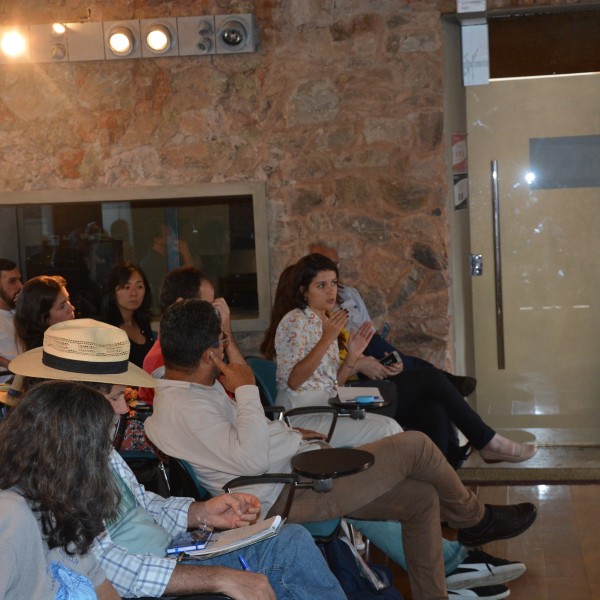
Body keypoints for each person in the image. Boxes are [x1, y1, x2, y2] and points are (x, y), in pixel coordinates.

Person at [145, 298, 538, 600]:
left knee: (419, 500)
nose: (226, 351)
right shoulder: (186, 408)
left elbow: (238, 439)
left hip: (296, 467)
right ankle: (475, 519)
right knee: (416, 445)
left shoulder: (185, 381)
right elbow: (249, 459)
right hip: (285, 493)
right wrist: (247, 386)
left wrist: (287, 431)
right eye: (221, 344)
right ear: (210, 355)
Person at [8, 318, 347, 600]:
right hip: (152, 579)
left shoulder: (87, 442)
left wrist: (200, 512)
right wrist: (219, 578)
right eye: (114, 397)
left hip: (167, 554)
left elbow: (141, 505)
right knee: (287, 553)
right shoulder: (50, 475)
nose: (125, 408)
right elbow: (110, 571)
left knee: (290, 541)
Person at [264, 254, 537, 467]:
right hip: (310, 410)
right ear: (303, 291)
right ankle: (487, 440)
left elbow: (335, 382)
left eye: (333, 283)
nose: (330, 291)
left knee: (432, 408)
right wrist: (328, 339)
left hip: (335, 399)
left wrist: (354, 355)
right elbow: (294, 380)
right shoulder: (295, 321)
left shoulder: (328, 319)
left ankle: (442, 488)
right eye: (321, 285)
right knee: (427, 381)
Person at [0, 379, 122, 599]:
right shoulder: (12, 516)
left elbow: (98, 582)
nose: (106, 455)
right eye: (102, 446)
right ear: (76, 453)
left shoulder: (58, 501)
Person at [309, 242, 477, 396]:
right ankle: (448, 381)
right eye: (326, 263)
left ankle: (444, 382)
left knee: (398, 362)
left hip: (367, 341)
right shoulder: (312, 303)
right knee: (419, 375)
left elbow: (368, 325)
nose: (332, 269)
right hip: (346, 350)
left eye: (335, 264)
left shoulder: (349, 293)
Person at [101, 263, 154, 368]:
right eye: (127, 287)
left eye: (139, 286)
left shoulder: (143, 323)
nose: (133, 293)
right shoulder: (106, 330)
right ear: (113, 291)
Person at [14, 274, 75, 352]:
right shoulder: (45, 353)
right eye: (62, 306)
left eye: (68, 299)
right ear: (42, 318)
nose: (72, 308)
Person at [0, 258, 22, 382]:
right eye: (12, 281)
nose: (20, 286)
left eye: (19, 279)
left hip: (24, 379)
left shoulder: (18, 313)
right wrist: (8, 364)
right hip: (7, 383)